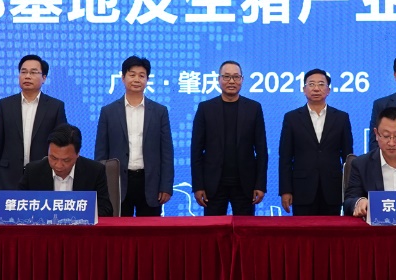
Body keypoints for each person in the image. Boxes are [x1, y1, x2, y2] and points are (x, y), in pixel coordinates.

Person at [95, 55, 173, 217]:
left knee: (150, 230)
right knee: (119, 230)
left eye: (141, 75)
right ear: (123, 78)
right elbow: (101, 152)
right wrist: (101, 186)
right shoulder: (108, 112)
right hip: (117, 183)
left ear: (147, 80)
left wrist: (166, 186)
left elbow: (166, 152)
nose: (137, 79)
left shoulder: (160, 112)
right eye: (132, 75)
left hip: (150, 182)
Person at [191, 61, 268, 216]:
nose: (231, 81)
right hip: (213, 185)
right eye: (226, 77)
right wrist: (198, 186)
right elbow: (196, 151)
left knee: (245, 229)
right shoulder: (205, 108)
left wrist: (260, 185)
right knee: (213, 229)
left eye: (236, 77)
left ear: (242, 80)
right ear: (218, 79)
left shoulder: (254, 108)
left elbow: (261, 150)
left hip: (245, 185)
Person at [0, 54, 68, 200]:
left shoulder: (55, 107)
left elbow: (62, 145)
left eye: (33, 72)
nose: (27, 76)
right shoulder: (5, 105)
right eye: (23, 72)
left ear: (44, 78)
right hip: (8, 179)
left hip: (43, 177)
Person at [278, 69, 353, 215]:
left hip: (333, 189)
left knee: (332, 229)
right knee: (303, 229)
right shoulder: (292, 118)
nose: (316, 88)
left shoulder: (341, 118)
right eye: (311, 84)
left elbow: (347, 157)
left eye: (321, 84)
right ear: (304, 89)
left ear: (328, 90)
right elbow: (285, 157)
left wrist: (350, 191)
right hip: (302, 189)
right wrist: (285, 190)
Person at [19, 124, 113, 218]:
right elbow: (18, 206)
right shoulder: (32, 171)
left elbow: (105, 210)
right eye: (53, 158)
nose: (58, 165)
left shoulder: (95, 171)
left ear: (78, 154)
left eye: (66, 160)